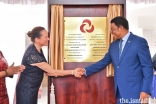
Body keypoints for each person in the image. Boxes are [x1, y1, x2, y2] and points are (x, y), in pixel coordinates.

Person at [76, 16, 153, 104]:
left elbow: (147, 67)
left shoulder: (139, 42)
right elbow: (104, 62)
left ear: (121, 28)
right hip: (119, 92)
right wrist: (85, 70)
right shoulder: (113, 46)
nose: (112, 32)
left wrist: (146, 90)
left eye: (113, 29)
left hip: (137, 92)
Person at [15, 26, 80, 104]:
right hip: (26, 89)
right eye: (46, 37)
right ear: (37, 39)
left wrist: (45, 69)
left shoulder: (36, 48)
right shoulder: (33, 54)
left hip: (31, 88)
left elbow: (45, 68)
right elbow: (53, 72)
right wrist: (73, 72)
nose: (48, 39)